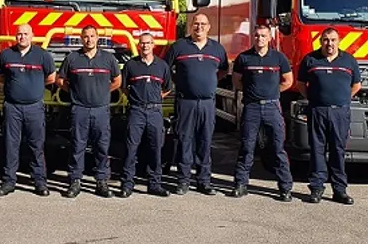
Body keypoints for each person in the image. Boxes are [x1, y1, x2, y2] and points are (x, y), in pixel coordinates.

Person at [295, 27, 362, 204]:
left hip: (340, 112)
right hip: (318, 111)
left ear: (338, 41)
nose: (329, 43)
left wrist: (343, 99)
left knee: (338, 151)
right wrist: (314, 99)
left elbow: (356, 85)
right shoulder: (310, 59)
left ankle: (339, 190)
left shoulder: (348, 60)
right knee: (317, 150)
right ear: (320, 41)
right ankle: (316, 188)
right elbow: (301, 84)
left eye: (333, 40)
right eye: (325, 40)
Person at [166, 13, 228, 194]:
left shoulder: (217, 49)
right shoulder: (179, 47)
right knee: (185, 141)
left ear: (209, 27)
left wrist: (209, 82)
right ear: (191, 26)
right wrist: (179, 81)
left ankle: (204, 181)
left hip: (207, 103)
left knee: (205, 141)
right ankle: (183, 180)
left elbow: (223, 70)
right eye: (196, 24)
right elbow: (164, 68)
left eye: (203, 24)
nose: (199, 27)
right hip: (186, 102)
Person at [232, 24, 295, 202]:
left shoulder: (278, 58)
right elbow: (237, 82)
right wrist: (253, 93)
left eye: (263, 36)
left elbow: (288, 81)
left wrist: (273, 92)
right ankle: (241, 184)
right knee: (247, 147)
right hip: (251, 107)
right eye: (257, 36)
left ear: (269, 38)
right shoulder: (244, 58)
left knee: (277, 148)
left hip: (272, 107)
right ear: (254, 37)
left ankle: (285, 188)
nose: (260, 39)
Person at [57, 25, 122, 197]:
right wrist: (74, 92)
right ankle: (75, 181)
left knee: (101, 146)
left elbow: (117, 80)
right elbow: (60, 80)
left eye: (92, 36)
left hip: (101, 109)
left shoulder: (108, 59)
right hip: (80, 109)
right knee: (77, 146)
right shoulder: (72, 58)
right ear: (81, 38)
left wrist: (103, 92)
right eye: (86, 36)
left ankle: (101, 182)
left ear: (97, 37)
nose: (89, 39)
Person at [0, 23, 55, 196]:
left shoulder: (42, 56)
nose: (22, 37)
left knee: (36, 145)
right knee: (10, 145)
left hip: (34, 107)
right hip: (12, 107)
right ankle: (9, 181)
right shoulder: (6, 55)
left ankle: (40, 182)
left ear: (32, 36)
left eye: (26, 34)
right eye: (19, 34)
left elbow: (51, 78)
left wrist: (32, 88)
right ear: (15, 36)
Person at [120, 31, 172, 197]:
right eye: (142, 43)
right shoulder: (131, 65)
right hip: (136, 111)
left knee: (156, 148)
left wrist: (156, 99)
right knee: (131, 148)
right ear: (138, 45)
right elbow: (123, 87)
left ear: (153, 44)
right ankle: (127, 184)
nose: (145, 46)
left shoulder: (162, 65)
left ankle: (155, 184)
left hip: (155, 111)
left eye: (148, 43)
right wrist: (136, 99)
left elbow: (168, 87)